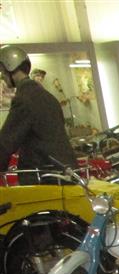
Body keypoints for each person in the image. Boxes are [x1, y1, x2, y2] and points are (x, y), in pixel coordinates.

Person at [0, 45, 75, 184]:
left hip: (43, 175)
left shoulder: (24, 99)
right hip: (65, 170)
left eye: (3, 71)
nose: (2, 76)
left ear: (11, 68)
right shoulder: (48, 97)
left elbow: (6, 141)